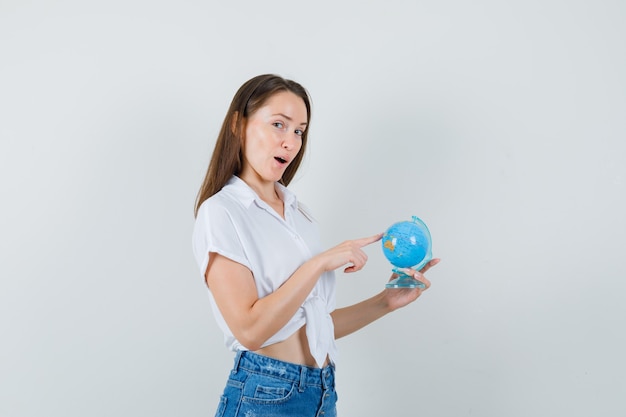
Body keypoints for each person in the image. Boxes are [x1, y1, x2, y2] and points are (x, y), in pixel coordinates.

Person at [192, 74, 440, 417]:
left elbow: (313, 325)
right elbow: (249, 330)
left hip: (321, 392)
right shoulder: (221, 212)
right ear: (238, 123)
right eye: (279, 124)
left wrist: (386, 302)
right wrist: (319, 263)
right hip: (265, 393)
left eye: (299, 131)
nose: (291, 142)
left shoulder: (300, 217)